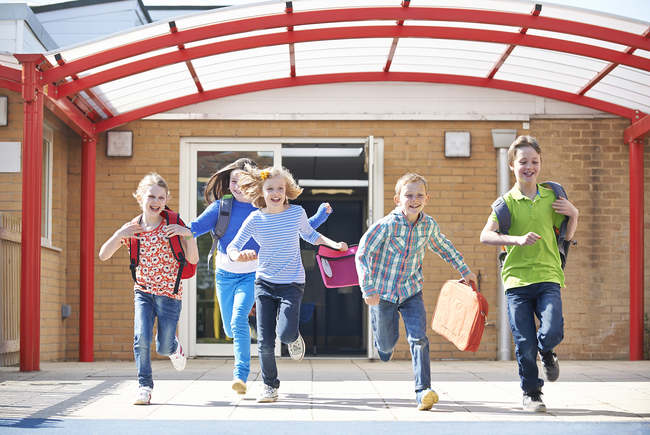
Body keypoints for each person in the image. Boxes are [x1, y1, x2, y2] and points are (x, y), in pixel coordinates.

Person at [187, 158, 331, 396]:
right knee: (230, 329)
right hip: (225, 273)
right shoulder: (222, 207)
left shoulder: (262, 208)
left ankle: (241, 376)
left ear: (253, 185)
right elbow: (193, 228)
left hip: (254, 273)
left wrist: (320, 217)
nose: (237, 186)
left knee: (239, 320)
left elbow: (299, 228)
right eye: (233, 181)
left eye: (243, 182)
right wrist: (169, 228)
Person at [355, 172, 477, 411]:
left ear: (427, 198)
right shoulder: (387, 225)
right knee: (386, 346)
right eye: (408, 195)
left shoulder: (428, 225)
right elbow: (363, 253)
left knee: (419, 339)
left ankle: (423, 391)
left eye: (419, 195)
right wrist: (367, 287)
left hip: (411, 291)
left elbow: (443, 246)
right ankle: (382, 344)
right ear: (397, 199)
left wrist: (464, 269)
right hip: (383, 294)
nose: (414, 200)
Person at [227, 165, 347, 403]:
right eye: (270, 189)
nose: (275, 193)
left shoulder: (296, 213)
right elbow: (233, 246)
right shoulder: (255, 218)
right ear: (261, 191)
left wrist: (334, 244)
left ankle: (293, 338)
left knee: (285, 333)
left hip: (292, 282)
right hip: (264, 284)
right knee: (265, 341)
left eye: (280, 188)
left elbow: (310, 235)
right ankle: (270, 386)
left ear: (286, 190)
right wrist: (236, 256)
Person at [480, 135, 579, 413]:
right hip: (517, 281)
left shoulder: (552, 197)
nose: (529, 167)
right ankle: (532, 393)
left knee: (552, 330)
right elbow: (485, 235)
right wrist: (516, 240)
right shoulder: (505, 204)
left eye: (535, 161)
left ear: (540, 163)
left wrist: (574, 214)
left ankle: (547, 351)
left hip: (548, 275)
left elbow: (566, 236)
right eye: (523, 162)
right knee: (524, 343)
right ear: (512, 165)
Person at [98, 172, 199, 406]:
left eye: (161, 198)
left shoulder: (173, 224)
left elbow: (193, 259)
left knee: (163, 346)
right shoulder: (132, 228)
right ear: (140, 197)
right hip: (143, 292)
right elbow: (103, 255)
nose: (156, 202)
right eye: (151, 196)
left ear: (166, 200)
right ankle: (144, 386)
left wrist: (189, 235)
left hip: (170, 294)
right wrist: (119, 234)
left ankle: (173, 347)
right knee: (141, 338)